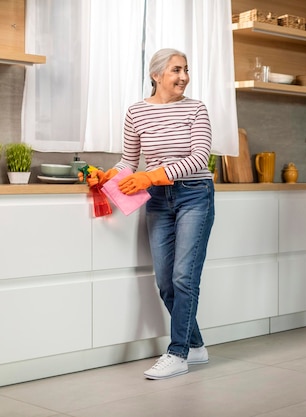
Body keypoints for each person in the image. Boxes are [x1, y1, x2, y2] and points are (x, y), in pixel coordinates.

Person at [87, 48, 215, 379]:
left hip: (194, 196)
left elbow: (199, 159)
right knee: (165, 282)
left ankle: (178, 353)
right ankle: (196, 345)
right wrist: (106, 177)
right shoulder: (136, 112)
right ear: (156, 75)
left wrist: (151, 175)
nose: (184, 76)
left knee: (184, 276)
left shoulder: (196, 110)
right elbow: (128, 161)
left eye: (186, 69)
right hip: (158, 199)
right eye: (176, 70)